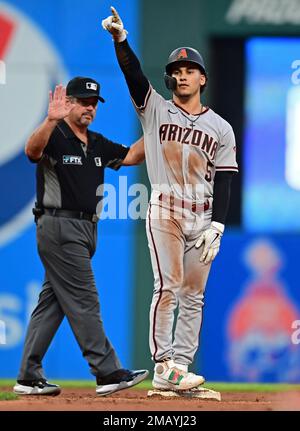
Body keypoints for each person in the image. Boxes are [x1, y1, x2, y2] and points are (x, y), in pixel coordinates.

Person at [102, 8, 238, 393]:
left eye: (189, 70)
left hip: (204, 215)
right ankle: (163, 365)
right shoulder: (155, 110)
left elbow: (226, 178)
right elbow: (133, 76)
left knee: (194, 295)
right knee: (168, 286)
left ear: (202, 78)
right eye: (177, 71)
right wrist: (121, 42)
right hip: (166, 209)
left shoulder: (220, 127)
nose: (181, 74)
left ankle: (180, 370)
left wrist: (218, 224)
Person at [13, 76, 148, 396]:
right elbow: (32, 151)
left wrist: (157, 127)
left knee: (52, 303)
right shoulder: (55, 135)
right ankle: (107, 371)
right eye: (83, 102)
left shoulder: (97, 143)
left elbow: (131, 156)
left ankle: (28, 376)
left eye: (94, 103)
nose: (89, 108)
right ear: (68, 103)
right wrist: (49, 120)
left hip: (86, 229)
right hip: (59, 226)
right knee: (85, 299)